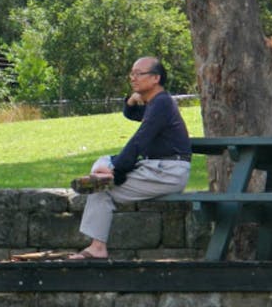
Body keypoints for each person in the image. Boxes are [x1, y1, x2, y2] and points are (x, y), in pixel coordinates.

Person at [69, 56, 191, 260]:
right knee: (101, 172)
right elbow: (133, 114)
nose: (133, 78)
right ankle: (97, 245)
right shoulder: (156, 103)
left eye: (138, 74)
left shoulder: (162, 103)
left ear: (155, 78)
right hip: (157, 169)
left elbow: (139, 140)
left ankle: (97, 248)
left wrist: (118, 171)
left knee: (100, 186)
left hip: (167, 172)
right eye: (131, 73)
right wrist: (131, 101)